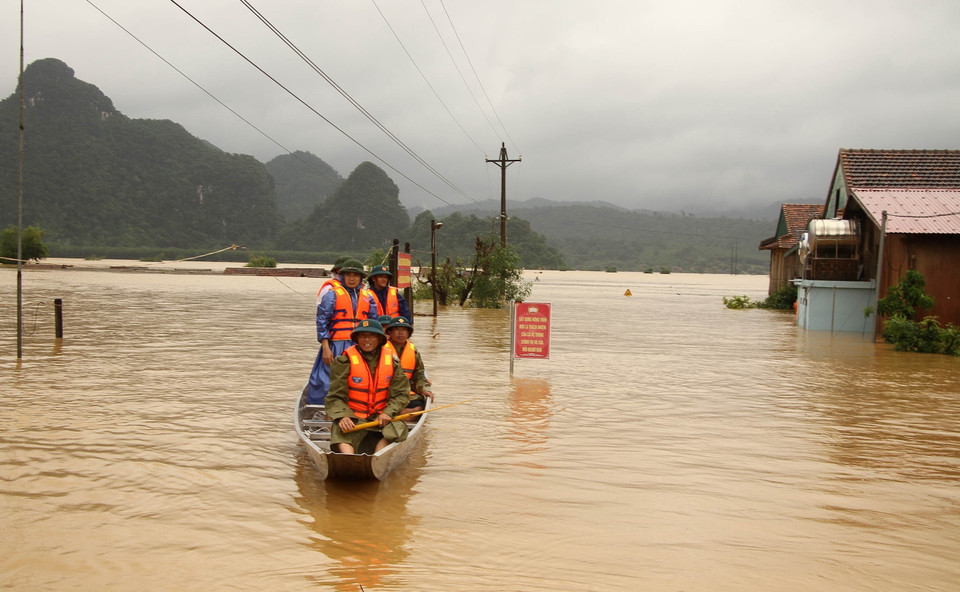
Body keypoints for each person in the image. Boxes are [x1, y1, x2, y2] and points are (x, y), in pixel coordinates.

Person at [325, 319, 411, 454]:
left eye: (371, 335)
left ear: (379, 339)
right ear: (357, 338)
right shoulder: (344, 361)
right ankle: (348, 458)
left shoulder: (392, 361)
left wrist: (387, 412)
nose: (367, 340)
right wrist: (342, 416)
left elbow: (402, 394)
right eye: (362, 335)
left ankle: (378, 456)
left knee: (398, 429)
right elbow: (335, 395)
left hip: (381, 417)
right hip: (354, 416)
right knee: (340, 428)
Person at [306, 259, 377, 404]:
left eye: (355, 275)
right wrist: (326, 348)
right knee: (328, 380)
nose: (352, 278)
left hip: (361, 345)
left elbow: (374, 324)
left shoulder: (368, 297)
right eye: (348, 275)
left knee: (361, 378)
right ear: (342, 277)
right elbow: (322, 322)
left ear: (361, 278)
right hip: (336, 345)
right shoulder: (331, 295)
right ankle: (323, 411)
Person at [385, 316, 434, 413]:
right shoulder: (381, 349)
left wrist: (424, 389)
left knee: (419, 405)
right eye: (396, 329)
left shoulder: (413, 351)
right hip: (384, 393)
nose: (400, 332)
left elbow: (419, 375)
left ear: (408, 334)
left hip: (404, 392)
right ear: (389, 333)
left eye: (404, 330)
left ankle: (398, 414)